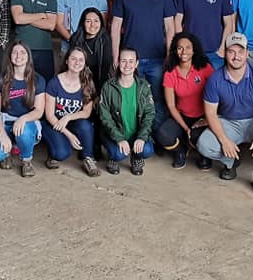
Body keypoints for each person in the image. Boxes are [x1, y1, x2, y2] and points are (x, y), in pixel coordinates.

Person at [198, 33, 253, 196]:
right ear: (225, 52)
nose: (236, 56)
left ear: (247, 52)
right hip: (228, 122)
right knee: (204, 144)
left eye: (240, 51)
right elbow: (210, 114)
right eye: (231, 51)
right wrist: (224, 141)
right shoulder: (215, 79)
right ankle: (231, 161)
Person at [110, 0, 175, 126]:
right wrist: (116, 56)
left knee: (157, 99)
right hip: (130, 61)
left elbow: (170, 28)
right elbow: (115, 27)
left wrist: (170, 55)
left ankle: (155, 134)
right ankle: (135, 133)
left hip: (157, 59)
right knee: (132, 99)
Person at [0, 41, 46, 178]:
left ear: (28, 56)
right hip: (5, 121)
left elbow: (39, 110)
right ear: (10, 56)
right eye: (15, 52)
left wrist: (23, 119)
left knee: (23, 132)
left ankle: (26, 160)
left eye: (23, 52)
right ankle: (7, 151)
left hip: (27, 123)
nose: (19, 56)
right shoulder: (0, 80)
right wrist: (2, 134)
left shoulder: (38, 80)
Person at [155, 32, 214, 170]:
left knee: (197, 137)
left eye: (188, 47)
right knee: (163, 135)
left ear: (194, 50)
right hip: (181, 115)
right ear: (175, 51)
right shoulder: (170, 72)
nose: (184, 51)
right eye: (180, 48)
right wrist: (185, 127)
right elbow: (170, 105)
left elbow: (216, 95)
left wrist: (207, 118)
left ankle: (204, 155)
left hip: (203, 116)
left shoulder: (205, 67)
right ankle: (180, 151)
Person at [42, 47, 99, 177]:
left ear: (85, 63)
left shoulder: (87, 83)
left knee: (86, 126)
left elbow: (86, 113)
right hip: (53, 123)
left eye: (81, 60)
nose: (77, 62)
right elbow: (49, 115)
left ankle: (88, 157)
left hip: (70, 121)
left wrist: (67, 117)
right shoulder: (54, 83)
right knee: (61, 154)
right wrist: (69, 135)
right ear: (67, 61)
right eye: (73, 59)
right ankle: (53, 153)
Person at [98, 46, 156, 175]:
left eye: (131, 61)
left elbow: (149, 114)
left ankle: (136, 157)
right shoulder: (108, 86)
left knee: (146, 150)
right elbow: (104, 116)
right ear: (118, 63)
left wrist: (141, 137)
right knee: (118, 154)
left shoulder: (143, 86)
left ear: (136, 64)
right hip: (115, 133)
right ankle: (113, 159)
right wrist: (119, 138)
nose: (127, 65)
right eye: (123, 61)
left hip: (135, 134)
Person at [10, 0, 58, 80]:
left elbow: (51, 25)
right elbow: (18, 19)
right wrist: (42, 15)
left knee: (45, 85)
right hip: (22, 49)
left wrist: (26, 16)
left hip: (44, 49)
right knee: (21, 86)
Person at [68, 7, 112, 89]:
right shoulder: (75, 38)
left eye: (96, 21)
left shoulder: (105, 39)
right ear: (83, 23)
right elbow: (71, 65)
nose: (92, 25)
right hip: (79, 82)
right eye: (88, 21)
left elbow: (105, 67)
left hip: (100, 83)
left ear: (101, 23)